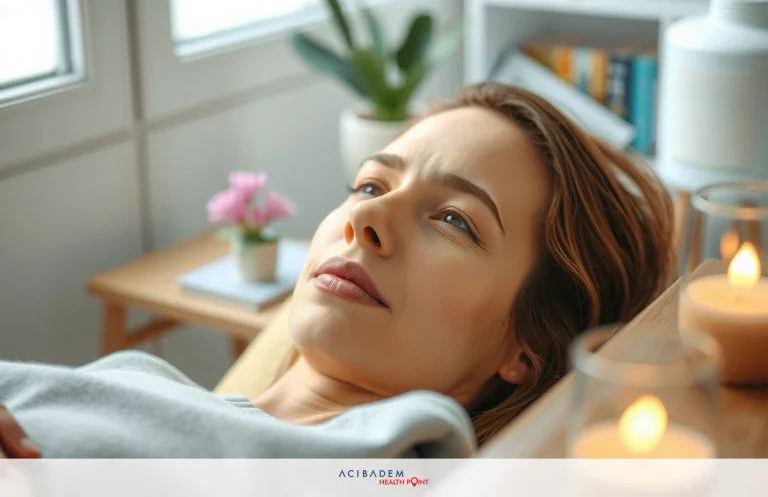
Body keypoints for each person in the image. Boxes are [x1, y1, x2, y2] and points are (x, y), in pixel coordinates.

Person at [0, 83, 674, 459]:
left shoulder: (392, 464)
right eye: (371, 186)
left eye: (455, 220)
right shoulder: (137, 377)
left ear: (524, 349)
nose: (365, 222)